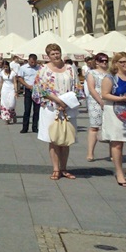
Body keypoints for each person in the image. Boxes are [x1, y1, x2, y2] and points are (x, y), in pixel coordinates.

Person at [33, 43, 81, 181]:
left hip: (68, 106)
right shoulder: (43, 69)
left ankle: (64, 168)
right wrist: (58, 101)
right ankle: (56, 168)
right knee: (53, 138)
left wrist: (66, 102)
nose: (55, 56)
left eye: (57, 53)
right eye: (52, 54)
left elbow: (76, 87)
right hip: (51, 107)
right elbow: (40, 89)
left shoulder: (70, 68)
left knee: (65, 139)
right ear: (48, 56)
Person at [100, 51, 126, 187]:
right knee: (117, 143)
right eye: (122, 62)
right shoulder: (111, 78)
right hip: (115, 113)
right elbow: (104, 94)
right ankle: (119, 173)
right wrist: (122, 99)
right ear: (116, 64)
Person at [85, 53, 109, 161]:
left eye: (106, 60)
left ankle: (112, 153)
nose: (104, 62)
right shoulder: (92, 73)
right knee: (94, 126)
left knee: (109, 127)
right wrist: (100, 101)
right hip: (95, 101)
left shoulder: (110, 74)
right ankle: (90, 153)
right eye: (102, 60)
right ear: (97, 62)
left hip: (109, 100)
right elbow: (91, 89)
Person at [16, 54, 40, 133]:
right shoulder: (23, 68)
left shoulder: (39, 68)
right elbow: (19, 78)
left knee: (36, 110)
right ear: (29, 60)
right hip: (28, 89)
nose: (33, 64)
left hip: (37, 90)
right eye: (32, 62)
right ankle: (25, 127)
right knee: (27, 110)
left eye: (34, 62)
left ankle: (35, 127)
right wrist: (27, 86)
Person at [0, 59, 17, 123]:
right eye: (4, 67)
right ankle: (7, 118)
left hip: (11, 89)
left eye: (6, 67)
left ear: (8, 66)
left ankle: (13, 114)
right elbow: (1, 82)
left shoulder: (13, 73)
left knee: (11, 104)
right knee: (5, 104)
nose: (5, 68)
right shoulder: (2, 73)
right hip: (4, 89)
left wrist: (16, 91)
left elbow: (15, 82)